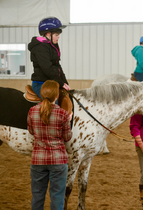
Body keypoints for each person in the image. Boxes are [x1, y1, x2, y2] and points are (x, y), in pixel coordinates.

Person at [27, 80, 73, 210]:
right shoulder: (63, 114)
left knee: (37, 197)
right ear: (57, 96)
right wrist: (68, 121)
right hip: (58, 160)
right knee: (57, 197)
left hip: (38, 160)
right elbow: (67, 137)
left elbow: (31, 131)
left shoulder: (32, 111)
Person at [28, 17, 71, 100]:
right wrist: (60, 82)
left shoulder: (52, 46)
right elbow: (47, 68)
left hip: (52, 82)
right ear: (48, 34)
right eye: (56, 35)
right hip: (41, 83)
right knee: (53, 102)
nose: (58, 37)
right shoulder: (40, 48)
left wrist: (64, 82)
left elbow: (57, 65)